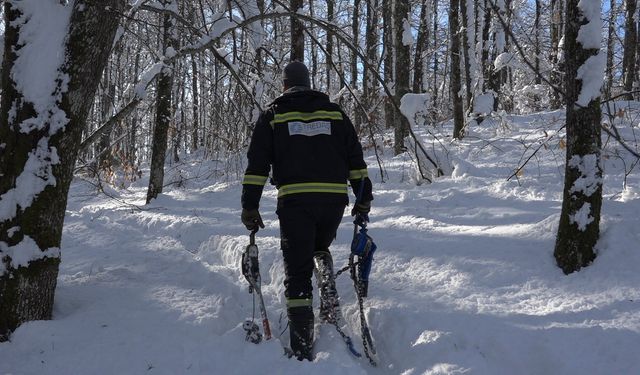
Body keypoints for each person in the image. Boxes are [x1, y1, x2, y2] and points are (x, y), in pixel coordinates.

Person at [240, 61, 373, 361]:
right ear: (309, 83)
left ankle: (302, 349)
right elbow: (356, 162)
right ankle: (327, 296)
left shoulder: (274, 115)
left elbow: (257, 167)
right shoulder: (336, 114)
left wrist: (249, 206)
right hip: (333, 202)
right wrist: (363, 200)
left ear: (285, 85)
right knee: (319, 246)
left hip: (296, 204)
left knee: (297, 273)